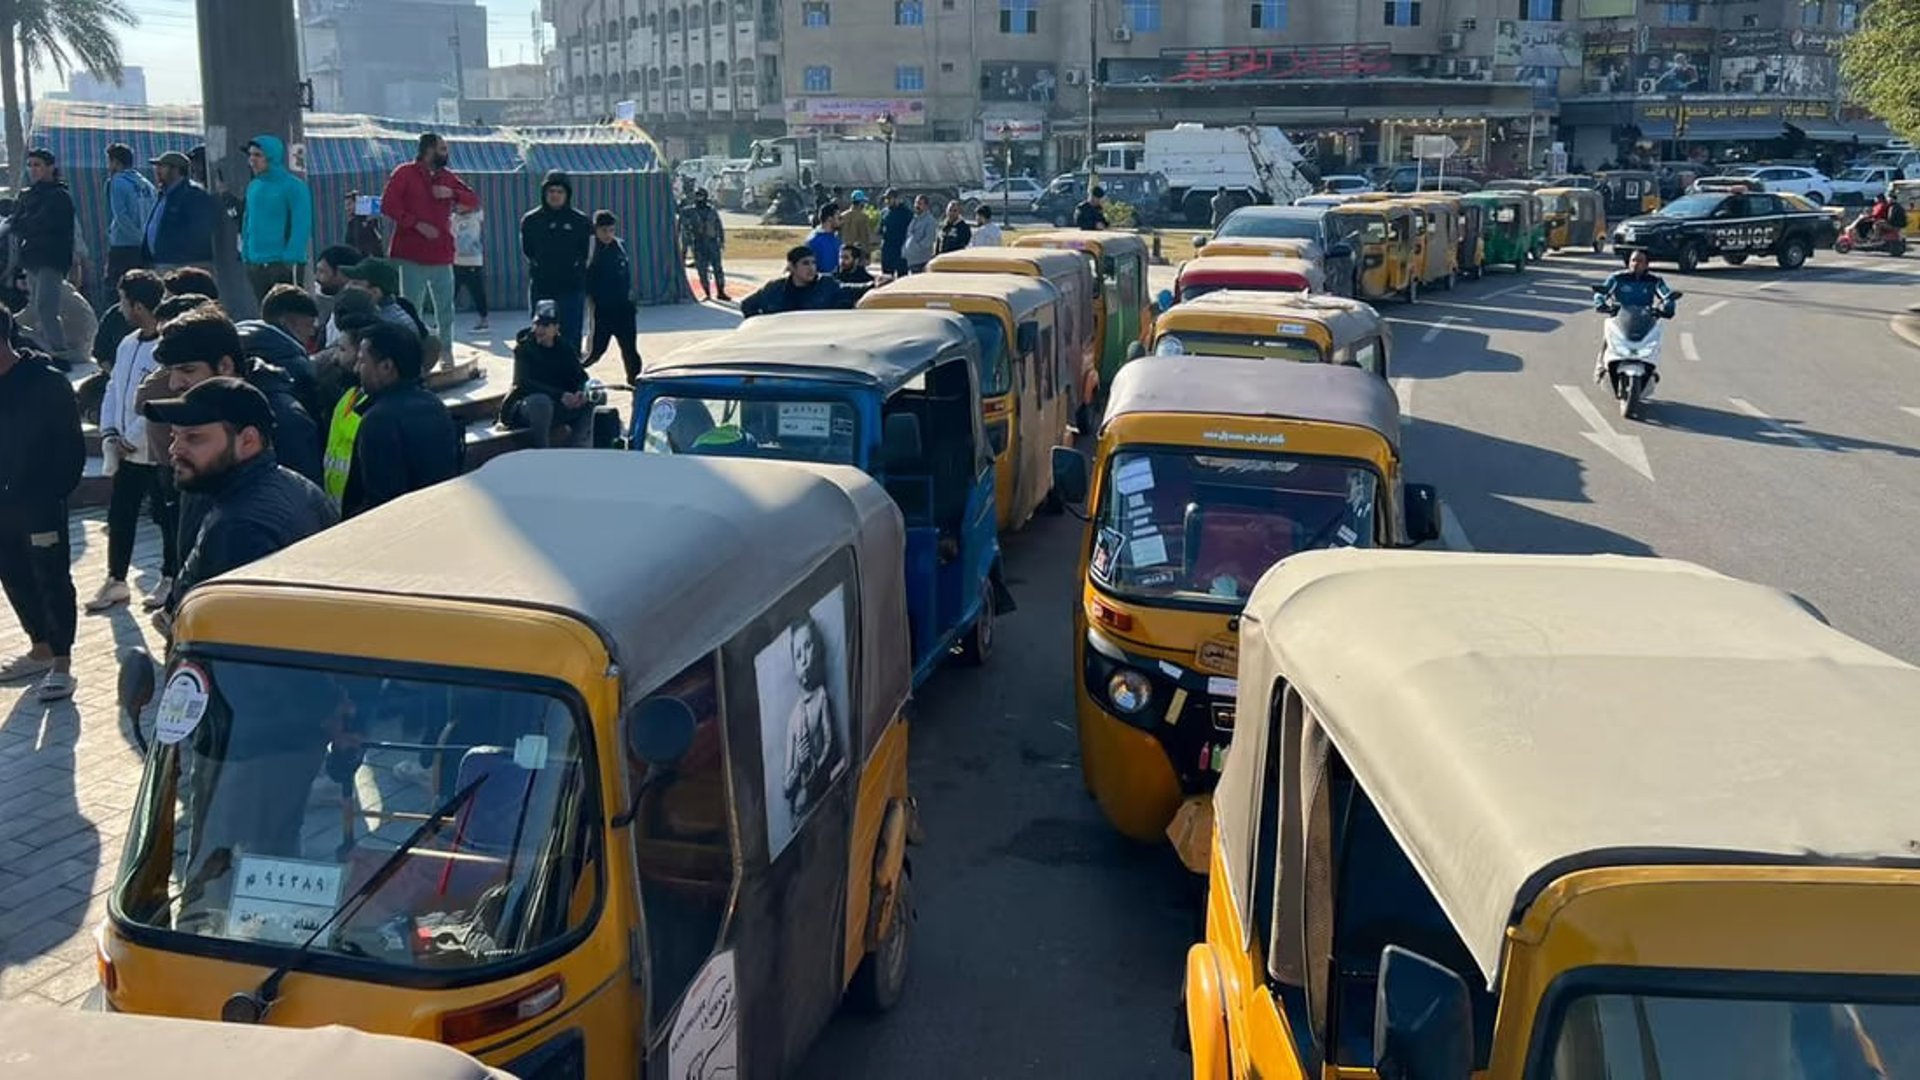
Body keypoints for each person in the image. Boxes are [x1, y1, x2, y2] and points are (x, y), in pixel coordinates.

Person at [141, 376, 336, 618]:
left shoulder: (237, 528)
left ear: (248, 441)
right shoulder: (298, 486)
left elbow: (231, 637)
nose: (175, 449)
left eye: (193, 437)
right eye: (174, 436)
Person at [0, 306, 84, 701]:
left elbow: (70, 449)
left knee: (51, 577)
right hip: (2, 505)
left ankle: (62, 663)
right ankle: (39, 647)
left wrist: (50, 494)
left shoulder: (46, 382)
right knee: (13, 575)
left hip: (40, 502)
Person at [157, 305, 324, 486]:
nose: (174, 384)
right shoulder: (200, 410)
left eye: (187, 370)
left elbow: (301, 503)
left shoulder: (285, 420)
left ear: (225, 366)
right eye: (170, 372)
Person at [86, 270, 173, 614]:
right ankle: (116, 579)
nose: (119, 306)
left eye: (123, 300)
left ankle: (169, 575)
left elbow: (158, 397)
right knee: (120, 512)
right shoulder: (126, 343)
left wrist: (133, 437)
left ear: (137, 305)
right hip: (125, 451)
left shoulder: (165, 347)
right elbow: (114, 389)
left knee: (165, 516)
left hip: (154, 449)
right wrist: (110, 432)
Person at [334, 321, 460, 518]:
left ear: (386, 367)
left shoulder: (379, 421)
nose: (357, 369)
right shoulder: (435, 406)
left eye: (362, 361)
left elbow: (381, 502)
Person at [379, 132, 478, 352]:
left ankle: (446, 351)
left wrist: (451, 193)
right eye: (442, 149)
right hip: (410, 254)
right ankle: (413, 352)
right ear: (428, 150)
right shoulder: (404, 173)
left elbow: (472, 199)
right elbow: (388, 205)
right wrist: (415, 223)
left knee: (445, 309)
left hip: (441, 254)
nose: (446, 153)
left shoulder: (447, 177)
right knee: (410, 308)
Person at [11, 149, 75, 363]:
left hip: (51, 259)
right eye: (31, 165)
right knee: (37, 310)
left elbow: (43, 223)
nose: (34, 169)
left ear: (50, 167)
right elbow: (17, 222)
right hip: (32, 258)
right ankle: (46, 351)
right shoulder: (29, 194)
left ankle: (60, 353)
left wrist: (25, 224)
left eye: (38, 165)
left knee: (46, 309)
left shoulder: (59, 196)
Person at [502, 300, 593, 449]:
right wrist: (560, 395)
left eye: (545, 325)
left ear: (556, 328)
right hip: (527, 406)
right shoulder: (524, 348)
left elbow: (581, 377)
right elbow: (523, 383)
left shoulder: (564, 347)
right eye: (537, 324)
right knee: (541, 402)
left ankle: (576, 448)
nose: (540, 329)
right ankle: (542, 450)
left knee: (593, 398)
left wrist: (580, 392)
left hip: (558, 405)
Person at [520, 170, 592, 349]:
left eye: (560, 192)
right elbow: (527, 250)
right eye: (551, 191)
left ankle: (571, 373)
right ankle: (543, 374)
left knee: (570, 334)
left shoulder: (580, 221)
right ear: (544, 193)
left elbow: (587, 253)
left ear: (567, 194)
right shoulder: (531, 220)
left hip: (571, 287)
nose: (555, 195)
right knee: (542, 334)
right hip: (542, 286)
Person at [780, 615, 841, 820]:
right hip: (801, 811)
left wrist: (814, 768)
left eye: (807, 647)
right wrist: (798, 767)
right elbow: (787, 786)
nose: (804, 659)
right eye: (797, 655)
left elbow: (830, 743)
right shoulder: (793, 719)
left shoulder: (822, 697)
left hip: (822, 798)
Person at [239, 135, 314, 302]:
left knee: (289, 311)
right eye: (250, 155)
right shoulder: (254, 186)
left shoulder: (293, 186)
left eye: (258, 155)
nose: (252, 160)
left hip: (282, 262)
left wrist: (290, 258)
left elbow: (301, 224)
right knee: (266, 313)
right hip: (255, 262)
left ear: (271, 157)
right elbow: (247, 221)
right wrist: (246, 254)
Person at [1592, 248, 1675, 382]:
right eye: (1633, 260)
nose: (1636, 264)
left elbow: (1666, 295)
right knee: (1607, 340)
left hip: (1645, 318)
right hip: (1619, 317)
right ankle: (1600, 366)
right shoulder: (1617, 278)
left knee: (1654, 342)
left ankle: (1651, 368)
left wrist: (1668, 306)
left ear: (1647, 264)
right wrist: (1600, 303)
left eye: (1640, 261)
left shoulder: (1654, 281)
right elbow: (1603, 291)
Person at [237, 284, 321, 412]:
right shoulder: (298, 367)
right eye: (308, 325)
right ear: (285, 321)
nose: (312, 333)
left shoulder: (235, 349)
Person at [585, 210, 641, 385]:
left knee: (630, 350)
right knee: (595, 351)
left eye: (611, 230)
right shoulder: (591, 249)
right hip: (603, 311)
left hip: (624, 309)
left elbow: (627, 276)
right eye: (604, 231)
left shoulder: (620, 246)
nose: (608, 235)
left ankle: (635, 382)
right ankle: (570, 376)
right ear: (596, 230)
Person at [739, 245, 874, 318]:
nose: (811, 268)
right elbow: (747, 305)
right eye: (805, 263)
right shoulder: (774, 289)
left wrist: (874, 285)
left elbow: (852, 290)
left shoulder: (826, 285)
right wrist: (765, 326)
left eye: (813, 263)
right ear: (792, 267)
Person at [143, 150, 219, 271]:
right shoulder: (164, 195)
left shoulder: (193, 194)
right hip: (164, 261)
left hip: (186, 264)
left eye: (162, 166)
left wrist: (182, 256)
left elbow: (200, 231)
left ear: (175, 170)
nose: (157, 171)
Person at [104, 142, 157, 292]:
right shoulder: (147, 184)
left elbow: (120, 215)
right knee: (142, 290)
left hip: (123, 245)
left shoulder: (117, 181)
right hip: (145, 246)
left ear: (115, 161)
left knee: (117, 289)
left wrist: (136, 237)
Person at [340, 257, 430, 339]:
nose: (347, 286)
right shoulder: (370, 313)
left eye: (356, 283)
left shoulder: (386, 325)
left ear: (375, 292)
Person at [680, 189, 728, 301]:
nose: (699, 199)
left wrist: (721, 240)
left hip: (712, 243)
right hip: (699, 243)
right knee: (702, 270)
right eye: (697, 196)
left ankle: (721, 291)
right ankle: (707, 293)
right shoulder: (689, 212)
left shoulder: (712, 211)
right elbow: (684, 226)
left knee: (718, 268)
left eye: (701, 196)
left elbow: (718, 226)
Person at [450, 203, 489, 333]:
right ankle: (444, 320)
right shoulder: (453, 218)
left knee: (477, 291)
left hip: (473, 261)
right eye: (458, 204)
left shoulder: (476, 216)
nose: (461, 207)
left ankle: (483, 319)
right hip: (456, 260)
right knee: (450, 292)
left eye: (464, 204)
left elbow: (479, 206)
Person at [878, 188, 912, 276]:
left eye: (889, 198)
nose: (887, 201)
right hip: (887, 249)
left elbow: (911, 231)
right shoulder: (884, 212)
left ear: (897, 199)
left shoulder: (906, 213)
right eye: (886, 199)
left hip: (900, 249)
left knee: (902, 277)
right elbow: (880, 229)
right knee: (886, 276)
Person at [343, 191, 385, 258]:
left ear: (357, 203)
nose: (347, 209)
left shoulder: (369, 220)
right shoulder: (352, 223)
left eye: (349, 204)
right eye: (346, 206)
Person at [903, 195, 937, 272]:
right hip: (911, 260)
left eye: (919, 203)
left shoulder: (930, 221)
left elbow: (928, 240)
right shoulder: (914, 219)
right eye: (916, 203)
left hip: (921, 260)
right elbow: (909, 236)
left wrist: (915, 249)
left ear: (926, 206)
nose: (916, 206)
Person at [806, 204, 843, 274]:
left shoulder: (835, 238)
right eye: (839, 218)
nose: (841, 221)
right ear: (829, 218)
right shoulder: (816, 240)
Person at [840, 189, 876, 254]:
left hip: (844, 250)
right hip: (858, 251)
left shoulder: (843, 216)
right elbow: (865, 236)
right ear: (861, 203)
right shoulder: (863, 217)